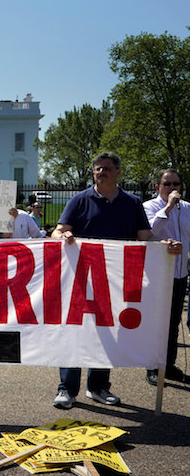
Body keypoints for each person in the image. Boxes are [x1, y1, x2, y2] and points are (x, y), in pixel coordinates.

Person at [50, 152, 182, 409]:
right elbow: (58, 230)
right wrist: (63, 237)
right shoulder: (79, 200)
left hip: (115, 282)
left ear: (118, 172)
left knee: (108, 333)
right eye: (98, 169)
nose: (101, 173)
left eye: (107, 169)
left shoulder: (132, 203)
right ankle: (67, 389)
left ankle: (98, 387)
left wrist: (164, 246)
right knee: (74, 332)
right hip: (80, 279)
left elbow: (144, 236)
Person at [142, 168, 190, 385]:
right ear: (158, 187)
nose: (173, 188)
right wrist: (168, 207)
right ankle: (153, 365)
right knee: (157, 322)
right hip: (157, 275)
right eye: (168, 184)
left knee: (172, 322)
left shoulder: (188, 208)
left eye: (176, 184)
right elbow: (150, 232)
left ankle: (168, 364)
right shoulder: (149, 207)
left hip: (180, 273)